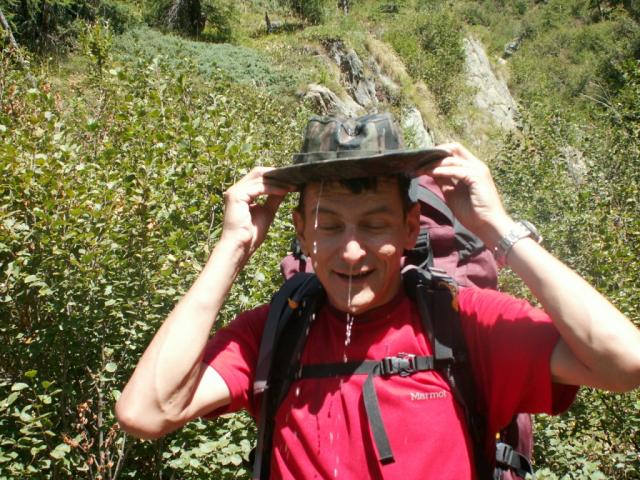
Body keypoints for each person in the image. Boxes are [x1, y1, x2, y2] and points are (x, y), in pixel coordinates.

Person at [116, 113, 640, 479]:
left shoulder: (462, 323)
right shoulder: (276, 330)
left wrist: (497, 228)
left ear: (412, 227)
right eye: (328, 225)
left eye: (374, 224)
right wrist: (233, 248)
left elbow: (624, 362)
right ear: (300, 231)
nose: (350, 251)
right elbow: (146, 412)